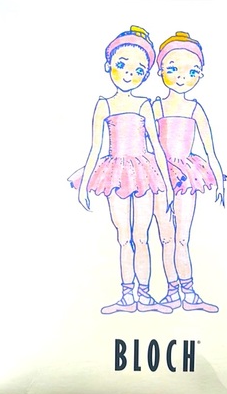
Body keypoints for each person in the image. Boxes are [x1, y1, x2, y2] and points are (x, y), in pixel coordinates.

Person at [69, 25, 174, 314]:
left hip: (143, 173)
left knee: (142, 236)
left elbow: (156, 146)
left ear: (146, 75)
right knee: (123, 236)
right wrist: (84, 185)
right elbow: (96, 147)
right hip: (115, 173)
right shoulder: (104, 105)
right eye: (122, 65)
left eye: (138, 70)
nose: (129, 74)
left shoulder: (144, 105)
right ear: (109, 66)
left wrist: (166, 185)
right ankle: (127, 295)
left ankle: (145, 295)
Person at [152, 31, 225, 313]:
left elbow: (210, 149)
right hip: (159, 176)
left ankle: (189, 291)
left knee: (182, 236)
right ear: (160, 71)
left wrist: (219, 181)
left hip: (185, 176)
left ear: (199, 74)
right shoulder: (154, 107)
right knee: (166, 237)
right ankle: (172, 291)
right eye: (173, 69)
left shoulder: (195, 109)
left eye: (191, 71)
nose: (182, 77)